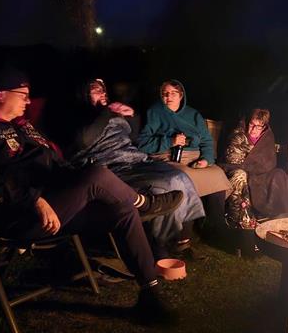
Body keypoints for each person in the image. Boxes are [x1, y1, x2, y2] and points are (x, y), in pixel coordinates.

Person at [0, 67, 182, 324]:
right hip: (21, 215)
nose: (27, 100)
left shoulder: (23, 127)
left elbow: (56, 164)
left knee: (121, 210)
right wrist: (34, 199)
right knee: (96, 175)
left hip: (56, 203)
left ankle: (150, 295)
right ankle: (144, 202)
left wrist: (73, 180)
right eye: (22, 94)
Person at [63, 78, 205, 257]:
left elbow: (134, 139)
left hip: (135, 160)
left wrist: (130, 116)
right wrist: (107, 112)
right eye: (96, 90)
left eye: (103, 90)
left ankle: (182, 240)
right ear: (83, 94)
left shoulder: (111, 113)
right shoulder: (77, 116)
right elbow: (84, 140)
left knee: (180, 176)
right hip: (110, 167)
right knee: (164, 186)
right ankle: (158, 246)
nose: (103, 93)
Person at [136, 79, 231, 228]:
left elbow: (206, 140)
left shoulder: (193, 115)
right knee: (185, 177)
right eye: (165, 93)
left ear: (181, 95)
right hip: (167, 156)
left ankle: (214, 224)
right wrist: (170, 141)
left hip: (194, 156)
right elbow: (143, 144)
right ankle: (185, 230)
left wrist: (206, 160)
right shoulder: (154, 112)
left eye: (173, 93)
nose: (169, 96)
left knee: (217, 174)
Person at [220, 108, 288, 227]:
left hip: (261, 172)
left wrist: (255, 160)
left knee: (279, 174)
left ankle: (274, 216)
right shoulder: (238, 135)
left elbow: (270, 161)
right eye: (252, 124)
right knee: (240, 175)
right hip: (238, 168)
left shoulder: (267, 137)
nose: (253, 129)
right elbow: (232, 158)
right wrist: (250, 152)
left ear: (264, 127)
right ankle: (239, 219)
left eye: (258, 127)